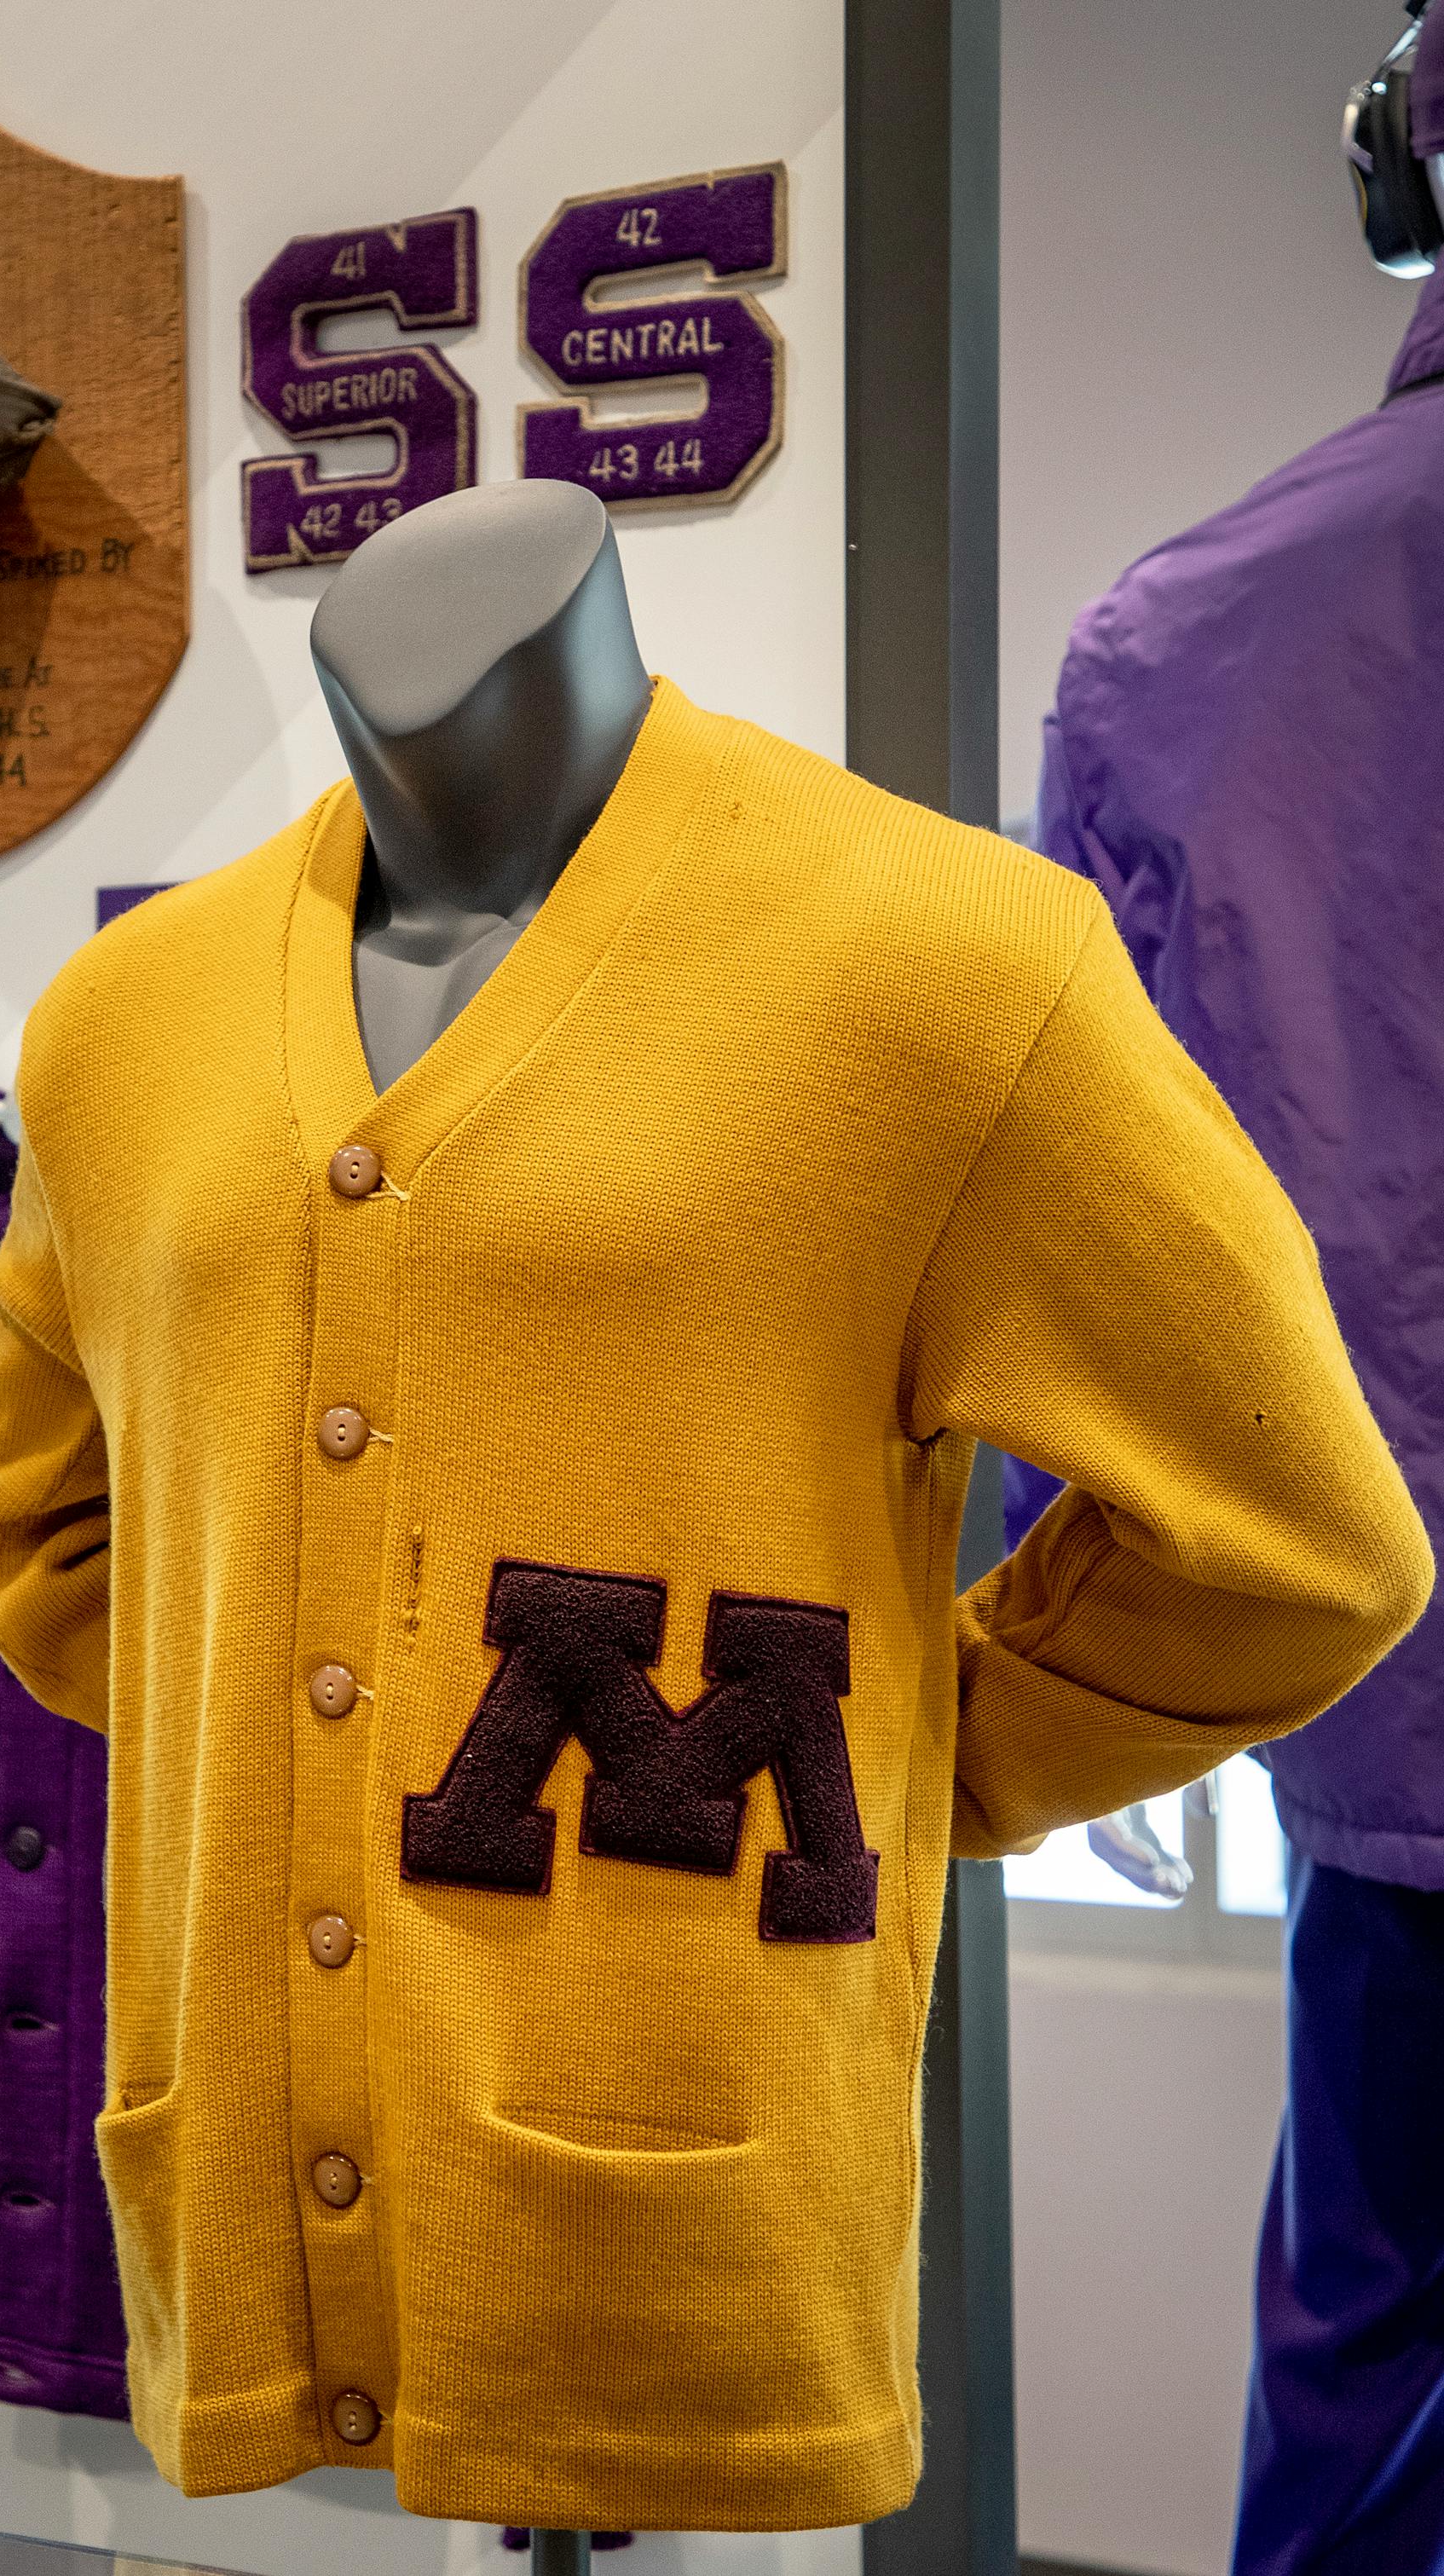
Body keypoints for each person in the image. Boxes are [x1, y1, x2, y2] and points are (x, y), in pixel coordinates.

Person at [1007, 11, 1444, 2568]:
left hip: (1388, 1708)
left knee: (1369, 2353)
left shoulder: (1187, 637)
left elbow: (1092, 1233)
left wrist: (1092, 1646)